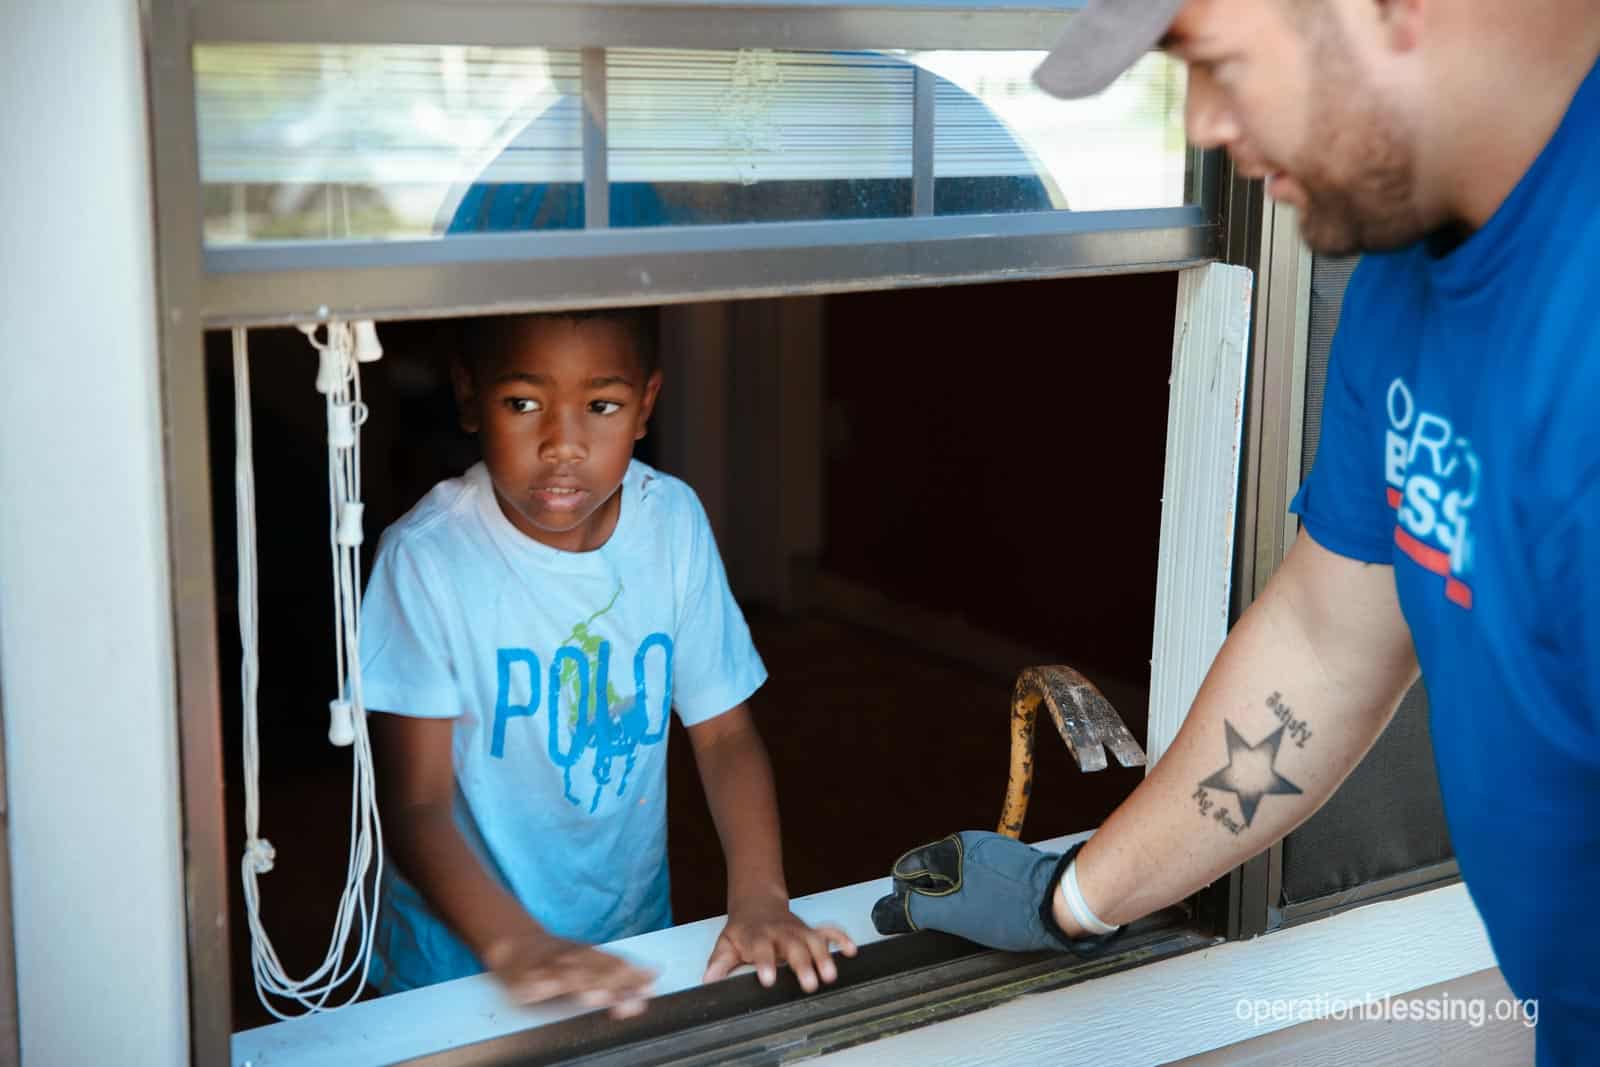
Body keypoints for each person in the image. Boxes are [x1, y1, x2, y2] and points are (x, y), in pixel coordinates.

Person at [873, 1, 1600, 1062]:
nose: (1203, 124)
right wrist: (1071, 896)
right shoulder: (1408, 283)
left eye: (1217, 65)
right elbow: (1326, 636)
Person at [361, 308, 855, 1017]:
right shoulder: (427, 558)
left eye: (601, 406)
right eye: (523, 403)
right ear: (470, 397)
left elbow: (723, 736)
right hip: (455, 972)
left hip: (627, 951)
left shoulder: (671, 523)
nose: (563, 443)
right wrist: (513, 945)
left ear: (646, 404)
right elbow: (416, 801)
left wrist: (760, 896)